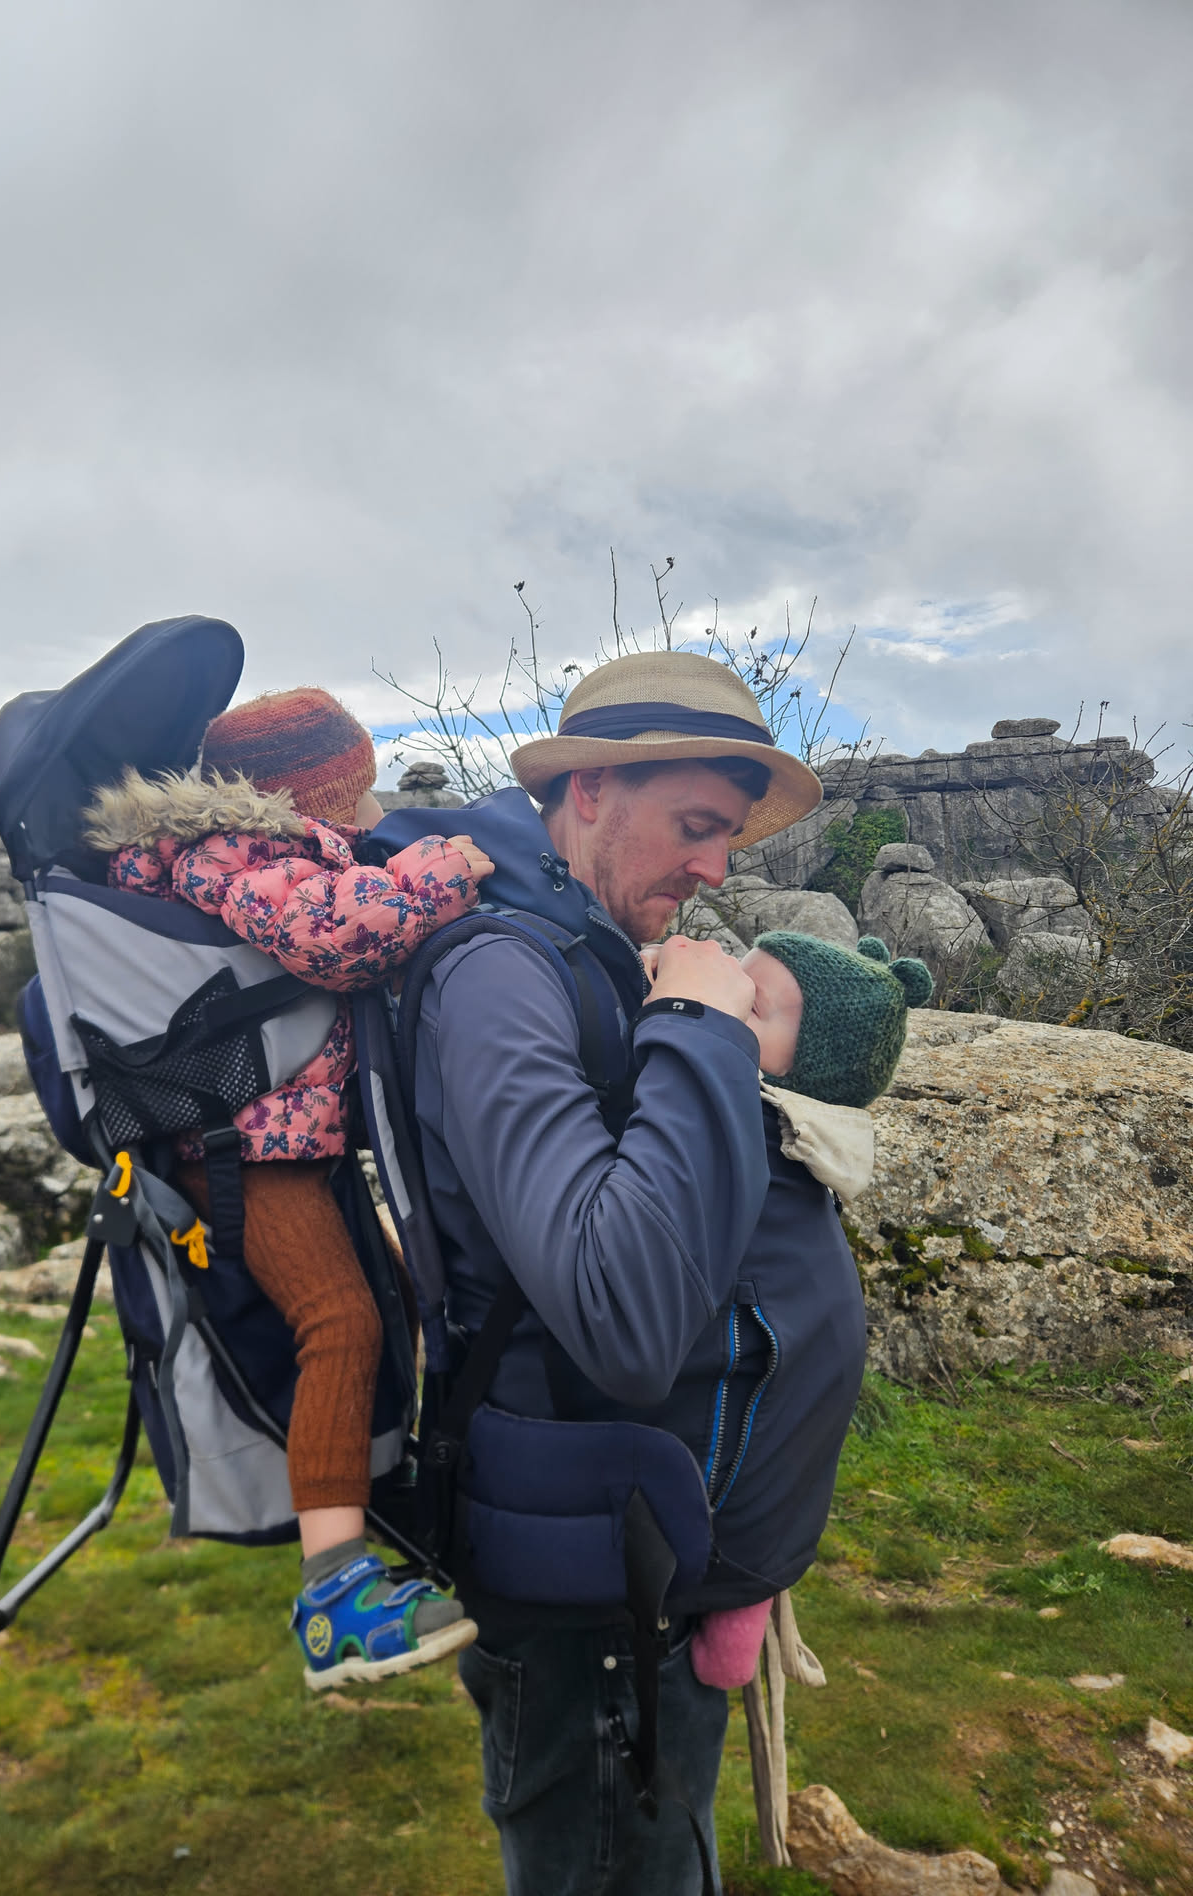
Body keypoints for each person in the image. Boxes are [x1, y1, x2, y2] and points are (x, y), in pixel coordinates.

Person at [371, 649, 869, 1894]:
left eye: (729, 837)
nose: (717, 869)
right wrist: (699, 1030)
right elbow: (622, 1314)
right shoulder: (498, 973)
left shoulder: (581, 942)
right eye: (697, 827)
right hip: (592, 1594)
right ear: (588, 789)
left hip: (639, 1544)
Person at [83, 686, 493, 1689]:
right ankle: (333, 1602)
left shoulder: (249, 854)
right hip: (245, 1155)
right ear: (311, 793)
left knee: (386, 1304)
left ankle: (367, 1494)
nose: (366, 811)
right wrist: (441, 869)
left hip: (278, 1145)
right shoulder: (234, 857)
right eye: (354, 793)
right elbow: (332, 939)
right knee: (340, 1323)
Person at [682, 927, 933, 1690]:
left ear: (807, 1065)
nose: (728, 999)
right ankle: (740, 1618)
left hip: (763, 1431)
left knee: (754, 1465)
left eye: (753, 1005)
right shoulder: (804, 1143)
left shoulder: (751, 1128)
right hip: (805, 1374)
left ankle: (731, 1623)